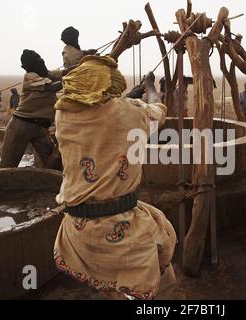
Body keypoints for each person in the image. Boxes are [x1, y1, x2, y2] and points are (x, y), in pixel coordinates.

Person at [53, 54, 177, 300]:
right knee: (163, 287)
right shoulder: (128, 114)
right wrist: (150, 86)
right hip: (120, 229)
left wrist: (127, 98)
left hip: (79, 230)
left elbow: (101, 110)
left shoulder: (63, 116)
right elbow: (157, 109)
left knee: (112, 289)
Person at [0, 49, 72, 168]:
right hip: (21, 126)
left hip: (40, 128)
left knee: (53, 163)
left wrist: (83, 63)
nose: (41, 61)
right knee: (7, 166)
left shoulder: (45, 74)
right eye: (37, 60)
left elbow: (65, 71)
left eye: (40, 58)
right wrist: (71, 79)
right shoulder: (30, 76)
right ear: (26, 67)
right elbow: (50, 88)